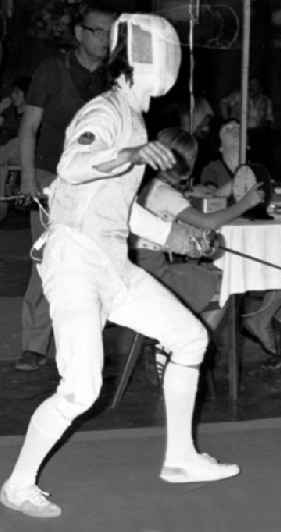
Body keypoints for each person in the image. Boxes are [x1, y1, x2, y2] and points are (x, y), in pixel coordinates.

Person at [0, 14, 239, 520]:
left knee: (191, 338)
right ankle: (17, 486)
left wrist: (182, 237)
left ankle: (180, 458)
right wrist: (128, 152)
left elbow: (121, 208)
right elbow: (72, 166)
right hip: (75, 262)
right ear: (145, 59)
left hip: (111, 261)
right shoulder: (106, 112)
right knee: (81, 388)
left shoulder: (133, 116)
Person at [15, 2, 116, 372]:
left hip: (98, 184)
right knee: (48, 261)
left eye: (111, 32)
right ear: (78, 33)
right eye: (97, 31)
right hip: (49, 178)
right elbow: (29, 129)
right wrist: (28, 178)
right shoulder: (51, 71)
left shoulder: (116, 77)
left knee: (94, 263)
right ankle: (35, 345)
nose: (105, 39)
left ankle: (84, 344)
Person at [133, 127, 265, 337]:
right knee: (225, 285)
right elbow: (208, 222)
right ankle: (195, 343)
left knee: (211, 277)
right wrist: (246, 203)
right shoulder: (165, 194)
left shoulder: (151, 186)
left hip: (143, 266)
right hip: (155, 272)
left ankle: (187, 340)